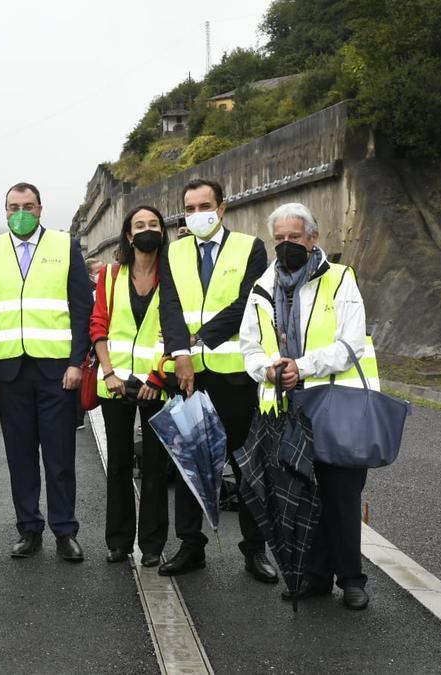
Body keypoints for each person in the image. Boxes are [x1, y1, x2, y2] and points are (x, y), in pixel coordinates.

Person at [240, 202, 376, 610]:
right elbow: (249, 346)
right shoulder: (263, 287)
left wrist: (301, 366)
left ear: (313, 238)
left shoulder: (339, 280)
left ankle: (351, 579)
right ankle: (313, 576)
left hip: (336, 404)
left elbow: (350, 343)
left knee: (341, 496)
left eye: (294, 238)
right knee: (299, 493)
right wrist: (266, 369)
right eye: (279, 239)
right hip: (285, 408)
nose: (286, 246)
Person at [157, 179, 278, 583]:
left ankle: (254, 550)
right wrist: (182, 353)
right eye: (189, 208)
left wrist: (202, 335)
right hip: (188, 375)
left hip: (235, 377)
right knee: (191, 462)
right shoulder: (172, 251)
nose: (197, 214)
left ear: (222, 208)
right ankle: (191, 546)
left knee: (246, 466)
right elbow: (170, 306)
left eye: (204, 205)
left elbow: (250, 300)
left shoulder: (250, 247)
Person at [0, 182, 92, 561]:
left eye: (27, 205)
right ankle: (28, 528)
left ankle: (65, 531)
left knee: (59, 457)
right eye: (12, 206)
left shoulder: (63, 245)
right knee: (19, 457)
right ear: (4, 211)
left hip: (56, 370)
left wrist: (76, 362)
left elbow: (81, 307)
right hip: (8, 372)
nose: (20, 212)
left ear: (40, 209)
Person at [90, 206, 171, 567]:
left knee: (156, 466)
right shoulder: (110, 276)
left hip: (158, 384)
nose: (147, 230)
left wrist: (158, 376)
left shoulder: (173, 276)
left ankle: (152, 545)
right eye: (140, 225)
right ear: (128, 235)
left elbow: (177, 329)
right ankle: (119, 541)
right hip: (116, 384)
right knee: (119, 463)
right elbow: (99, 327)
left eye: (153, 224)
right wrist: (109, 374)